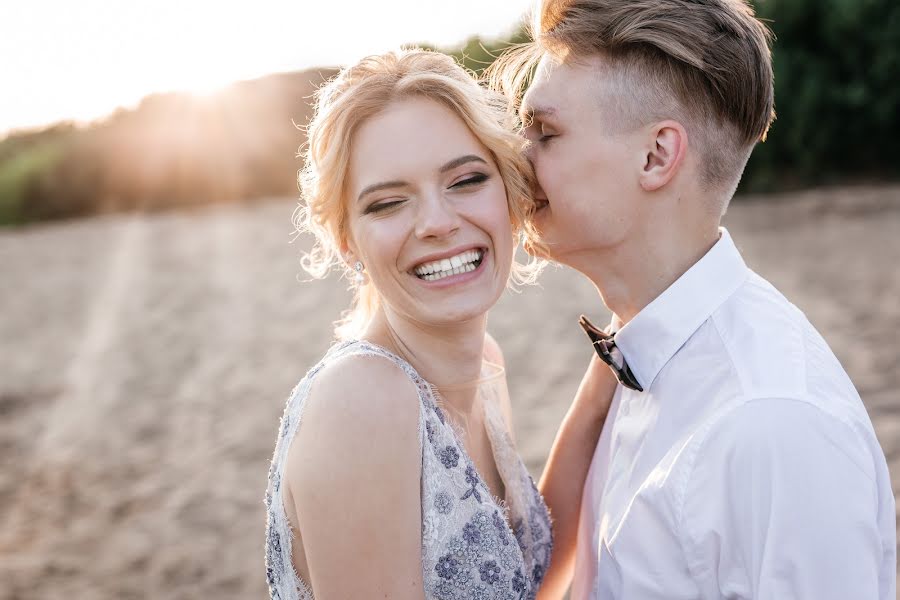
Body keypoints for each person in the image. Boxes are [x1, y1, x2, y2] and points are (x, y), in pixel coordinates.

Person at [489, 0, 897, 598]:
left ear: (656, 156)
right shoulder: (642, 350)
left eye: (545, 133)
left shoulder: (771, 423)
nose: (518, 159)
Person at [264, 48, 612, 600]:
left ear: (510, 193)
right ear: (346, 239)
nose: (437, 223)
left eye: (466, 180)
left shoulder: (485, 361)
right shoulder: (360, 402)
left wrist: (609, 370)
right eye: (387, 203)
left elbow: (528, 580)